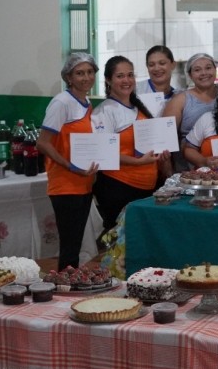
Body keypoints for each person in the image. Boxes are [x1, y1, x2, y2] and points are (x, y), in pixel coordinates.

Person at [92, 56, 170, 243]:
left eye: (130, 75)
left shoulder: (140, 106)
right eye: (120, 76)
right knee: (119, 246)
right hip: (118, 187)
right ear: (109, 80)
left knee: (144, 242)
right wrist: (137, 162)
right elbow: (104, 152)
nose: (126, 80)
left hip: (147, 188)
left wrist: (161, 152)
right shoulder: (104, 111)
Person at [36, 53, 100, 270]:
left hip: (83, 182)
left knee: (75, 244)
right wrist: (71, 166)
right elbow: (43, 143)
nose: (86, 77)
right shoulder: (61, 102)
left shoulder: (86, 102)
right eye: (80, 73)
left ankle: (69, 286)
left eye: (90, 72)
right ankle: (62, 291)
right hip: (65, 184)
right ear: (69, 77)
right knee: (69, 246)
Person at [162, 52, 218, 172]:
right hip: (189, 169)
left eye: (208, 68)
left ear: (215, 69)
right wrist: (167, 174)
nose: (204, 73)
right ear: (190, 75)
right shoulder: (180, 100)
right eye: (197, 70)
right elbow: (165, 141)